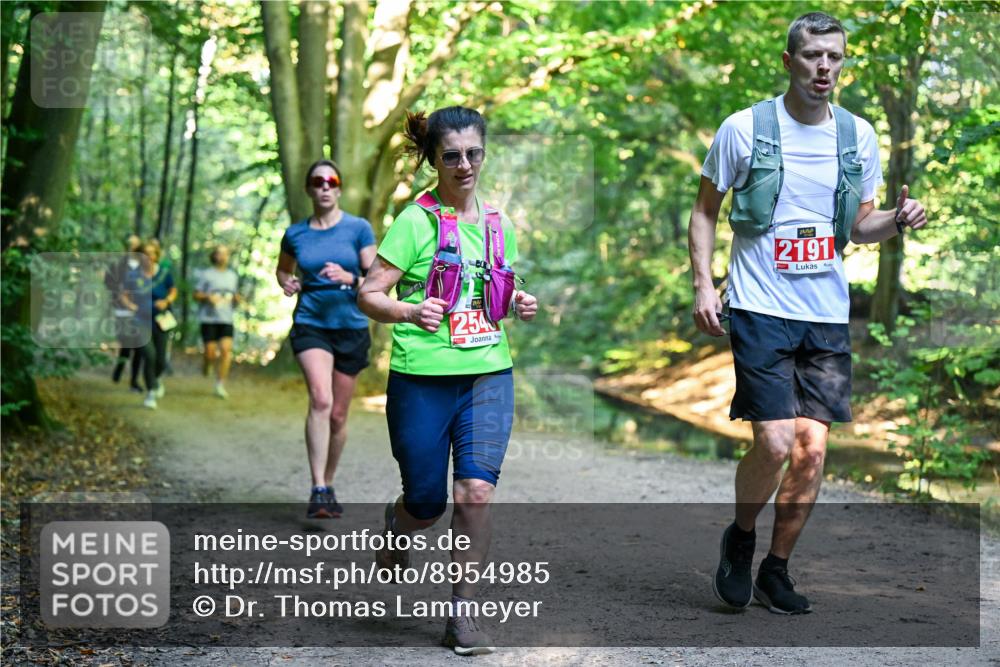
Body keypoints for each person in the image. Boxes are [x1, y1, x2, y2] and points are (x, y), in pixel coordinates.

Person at [688, 12, 928, 615]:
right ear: (789, 61)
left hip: (825, 311)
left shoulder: (858, 136)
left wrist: (896, 223)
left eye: (836, 58)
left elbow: (860, 227)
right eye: (814, 56)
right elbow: (705, 212)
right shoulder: (744, 129)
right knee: (772, 443)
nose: (826, 68)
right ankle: (740, 542)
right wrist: (702, 285)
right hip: (758, 303)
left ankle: (777, 568)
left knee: (813, 451)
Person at [358, 106, 538, 655]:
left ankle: (463, 615)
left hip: (488, 373)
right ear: (434, 159)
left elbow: (493, 296)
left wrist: (519, 301)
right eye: (452, 156)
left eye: (474, 153)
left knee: (476, 492)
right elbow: (370, 294)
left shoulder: (497, 223)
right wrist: (411, 312)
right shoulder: (416, 221)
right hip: (422, 381)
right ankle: (398, 527)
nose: (465, 165)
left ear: (485, 153)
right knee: (426, 504)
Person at [276, 159, 377, 519]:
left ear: (339, 188)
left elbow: (375, 282)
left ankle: (329, 482)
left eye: (331, 181)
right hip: (311, 323)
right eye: (317, 181)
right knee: (320, 399)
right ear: (309, 189)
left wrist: (350, 279)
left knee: (337, 415)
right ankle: (318, 487)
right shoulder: (296, 234)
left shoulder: (358, 229)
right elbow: (283, 270)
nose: (324, 187)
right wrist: (286, 283)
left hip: (350, 327)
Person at [120, 240, 178, 410]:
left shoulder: (164, 273)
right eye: (145, 253)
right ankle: (151, 392)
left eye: (152, 253)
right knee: (149, 355)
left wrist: (167, 300)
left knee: (161, 359)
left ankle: (156, 379)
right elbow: (124, 294)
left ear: (157, 255)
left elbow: (173, 290)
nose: (149, 256)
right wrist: (130, 306)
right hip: (140, 320)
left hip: (160, 320)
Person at [194, 245, 240, 399]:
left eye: (226, 254)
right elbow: (196, 294)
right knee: (210, 353)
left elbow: (235, 298)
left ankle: (220, 384)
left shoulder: (232, 276)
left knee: (226, 351)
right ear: (214, 256)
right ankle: (207, 364)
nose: (223, 257)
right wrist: (207, 297)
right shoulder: (206, 274)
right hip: (208, 318)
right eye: (220, 254)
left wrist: (237, 300)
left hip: (226, 319)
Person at [105, 234, 143, 388]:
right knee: (126, 344)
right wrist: (120, 297)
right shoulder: (118, 265)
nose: (132, 247)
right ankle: (119, 369)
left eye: (135, 244)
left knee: (140, 346)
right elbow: (109, 283)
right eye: (129, 244)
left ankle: (134, 380)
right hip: (122, 311)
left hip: (141, 312)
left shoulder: (146, 265)